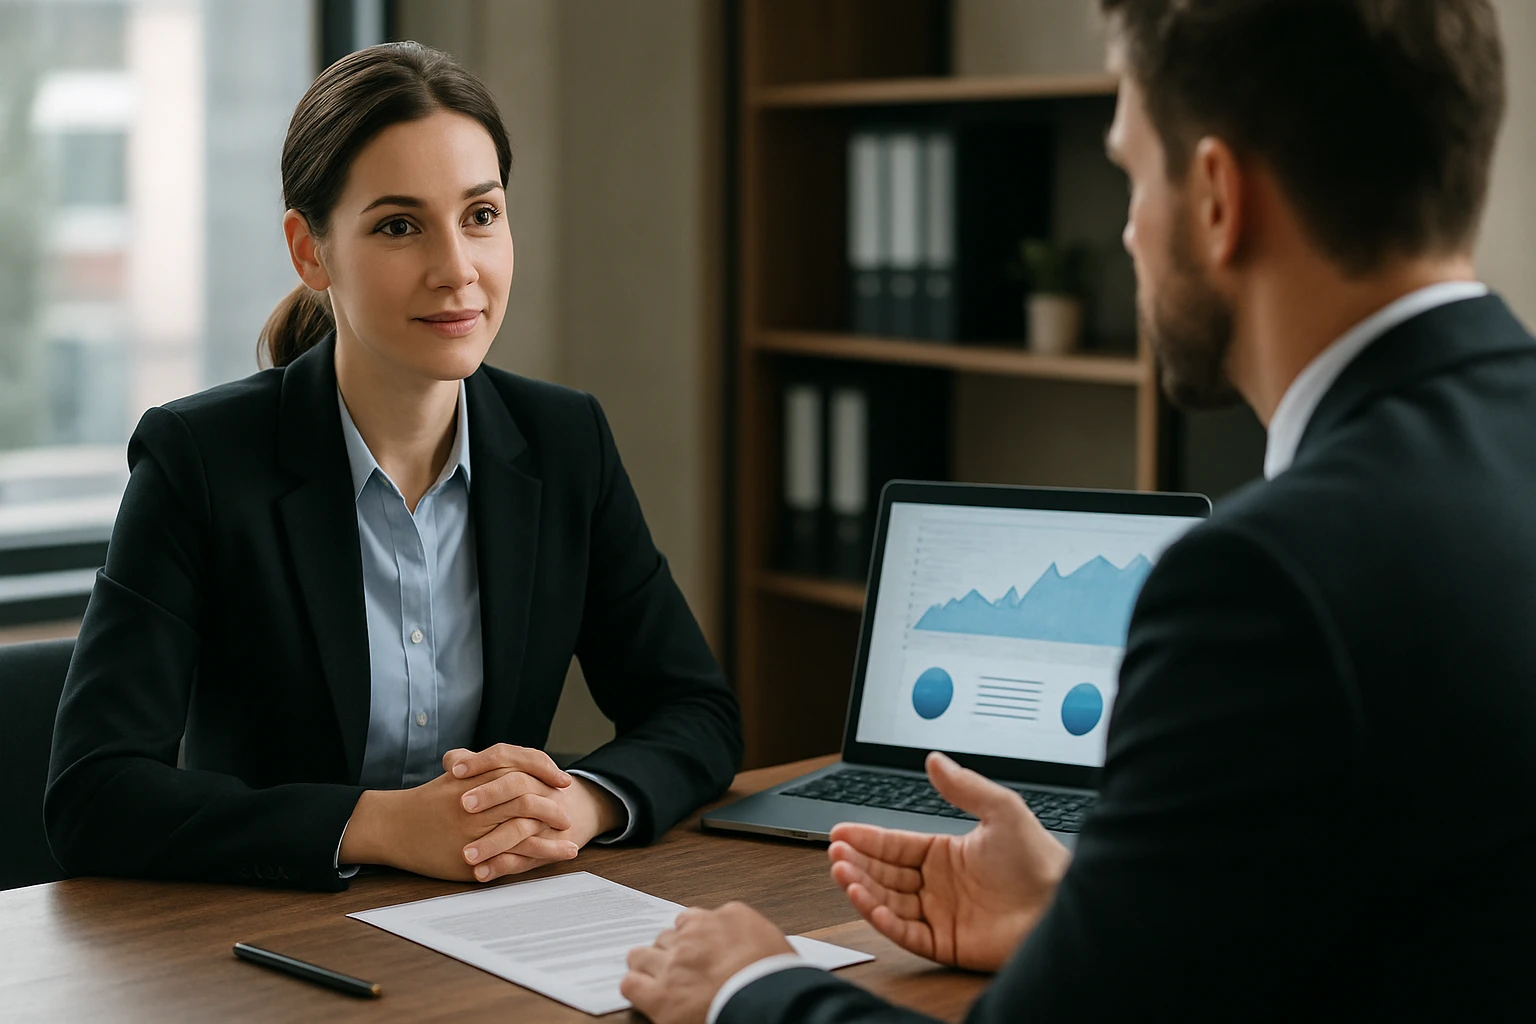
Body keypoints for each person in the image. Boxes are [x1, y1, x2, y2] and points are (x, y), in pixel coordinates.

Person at [622, 1, 1536, 1020]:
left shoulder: (1267, 579)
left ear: (1219, 197)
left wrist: (749, 985)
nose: (1128, 230)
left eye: (1131, 173)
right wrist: (1087, 912)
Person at [44, 42, 741, 891]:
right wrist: (379, 824)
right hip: (270, 938)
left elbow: (696, 712)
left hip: (492, 926)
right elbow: (95, 795)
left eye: (481, 215)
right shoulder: (200, 462)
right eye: (399, 226)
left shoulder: (565, 443)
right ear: (311, 251)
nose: (458, 270)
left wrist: (582, 804)